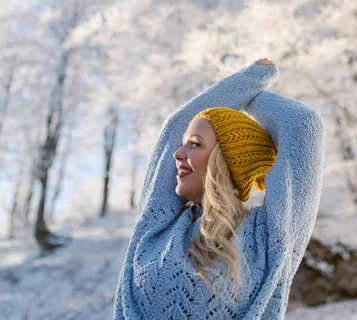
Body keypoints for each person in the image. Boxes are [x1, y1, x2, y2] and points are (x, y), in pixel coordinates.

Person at [113, 58, 325, 320]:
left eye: (195, 144)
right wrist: (249, 80)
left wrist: (252, 97)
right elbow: (175, 125)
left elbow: (302, 124)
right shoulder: (158, 225)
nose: (178, 154)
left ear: (224, 160)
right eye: (183, 144)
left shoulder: (268, 236)